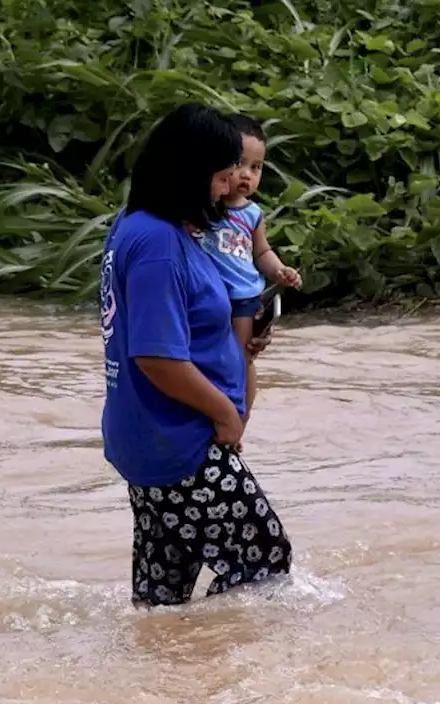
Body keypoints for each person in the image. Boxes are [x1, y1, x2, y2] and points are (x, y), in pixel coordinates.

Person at [98, 102, 294, 608]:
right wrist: (226, 414)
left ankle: (172, 680)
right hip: (182, 442)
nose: (231, 185)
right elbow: (157, 357)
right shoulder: (159, 243)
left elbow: (179, 323)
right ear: (190, 172)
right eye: (223, 173)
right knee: (264, 560)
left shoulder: (142, 224)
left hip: (150, 437)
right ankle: (238, 682)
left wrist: (240, 343)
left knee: (163, 599)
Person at [189, 113, 302, 420]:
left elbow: (262, 251)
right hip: (210, 293)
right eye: (239, 164)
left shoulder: (252, 214)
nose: (247, 175)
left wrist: (279, 271)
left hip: (242, 298)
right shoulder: (206, 206)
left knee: (241, 359)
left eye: (256, 167)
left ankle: (240, 417)